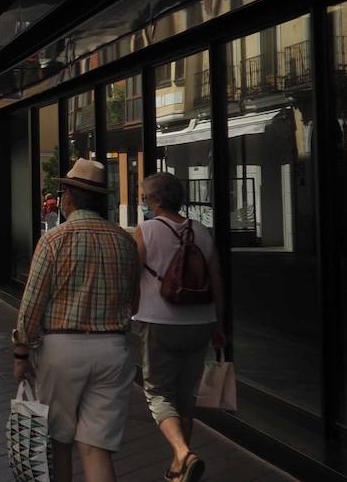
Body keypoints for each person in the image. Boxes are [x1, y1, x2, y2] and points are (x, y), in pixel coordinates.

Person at [12, 159, 139, 482]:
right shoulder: (124, 241)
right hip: (113, 349)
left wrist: (21, 352)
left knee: (58, 443)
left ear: (67, 197)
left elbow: (32, 302)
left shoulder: (54, 240)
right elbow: (133, 300)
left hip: (62, 349)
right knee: (96, 448)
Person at [133, 172, 226, 482]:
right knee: (186, 396)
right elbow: (217, 282)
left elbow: (133, 279)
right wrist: (219, 325)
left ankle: (184, 454)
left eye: (144, 196)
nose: (143, 201)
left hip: (159, 322)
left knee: (158, 394)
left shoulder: (145, 231)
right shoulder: (201, 231)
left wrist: (129, 312)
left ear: (157, 200)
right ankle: (178, 469)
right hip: (201, 321)